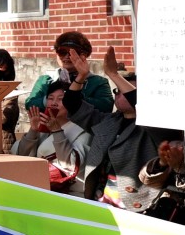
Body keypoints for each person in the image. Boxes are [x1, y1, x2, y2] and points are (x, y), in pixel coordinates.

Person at [64, 50, 176, 215]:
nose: (119, 93)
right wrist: (81, 76)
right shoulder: (107, 121)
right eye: (117, 90)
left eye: (126, 90)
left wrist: (114, 74)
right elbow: (71, 104)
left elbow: (141, 104)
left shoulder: (156, 125)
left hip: (138, 207)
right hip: (101, 200)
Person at [12, 82, 90, 194]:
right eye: (50, 98)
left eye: (60, 99)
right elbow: (21, 156)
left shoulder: (82, 131)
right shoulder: (45, 128)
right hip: (38, 187)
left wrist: (57, 131)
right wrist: (33, 130)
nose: (53, 103)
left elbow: (70, 165)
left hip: (69, 194)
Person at [26, 30, 114, 113]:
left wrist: (73, 97)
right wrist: (53, 100)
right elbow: (30, 103)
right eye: (62, 52)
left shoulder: (98, 82)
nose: (67, 56)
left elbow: (106, 107)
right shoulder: (46, 79)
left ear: (84, 55)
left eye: (73, 52)